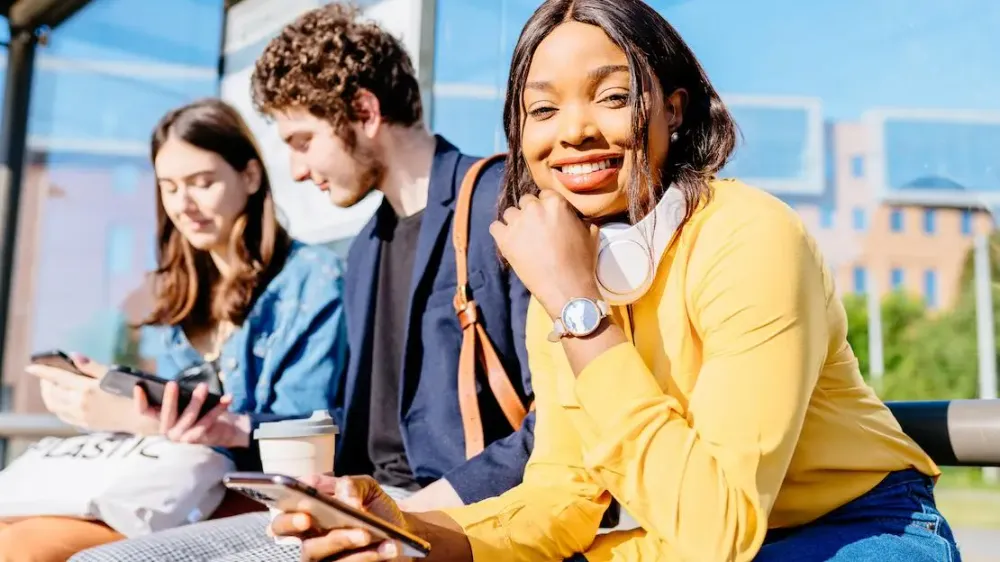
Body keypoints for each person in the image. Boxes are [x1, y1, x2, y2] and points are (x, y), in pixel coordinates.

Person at [270, 1, 963, 561]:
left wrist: (579, 309)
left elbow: (713, 530)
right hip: (676, 538)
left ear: (674, 109)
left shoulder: (749, 236)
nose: (572, 131)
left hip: (856, 528)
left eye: (611, 96)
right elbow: (560, 503)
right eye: (542, 110)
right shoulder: (566, 268)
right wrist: (409, 535)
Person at [70, 5, 535, 562]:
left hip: (459, 515)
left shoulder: (498, 205)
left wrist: (413, 511)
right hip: (365, 499)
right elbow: (361, 431)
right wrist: (239, 433)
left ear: (363, 112)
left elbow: (554, 427)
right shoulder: (367, 249)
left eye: (301, 140)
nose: (292, 170)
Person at [2, 98, 348, 562]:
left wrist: (151, 419)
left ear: (249, 177)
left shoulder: (314, 278)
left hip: (261, 496)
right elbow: (170, 426)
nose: (184, 205)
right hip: (181, 487)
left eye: (202, 183)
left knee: (24, 547)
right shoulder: (179, 293)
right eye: (168, 188)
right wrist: (116, 395)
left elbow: (311, 430)